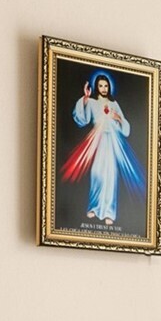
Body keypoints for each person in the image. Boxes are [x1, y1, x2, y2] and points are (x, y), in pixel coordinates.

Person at [60, 70, 145, 225]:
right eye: (101, 86)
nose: (104, 88)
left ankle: (108, 213)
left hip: (112, 141)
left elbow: (125, 128)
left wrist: (117, 118)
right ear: (96, 87)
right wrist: (85, 99)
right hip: (97, 140)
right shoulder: (92, 102)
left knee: (111, 175)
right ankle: (94, 206)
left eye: (106, 86)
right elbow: (82, 119)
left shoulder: (114, 104)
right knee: (97, 172)